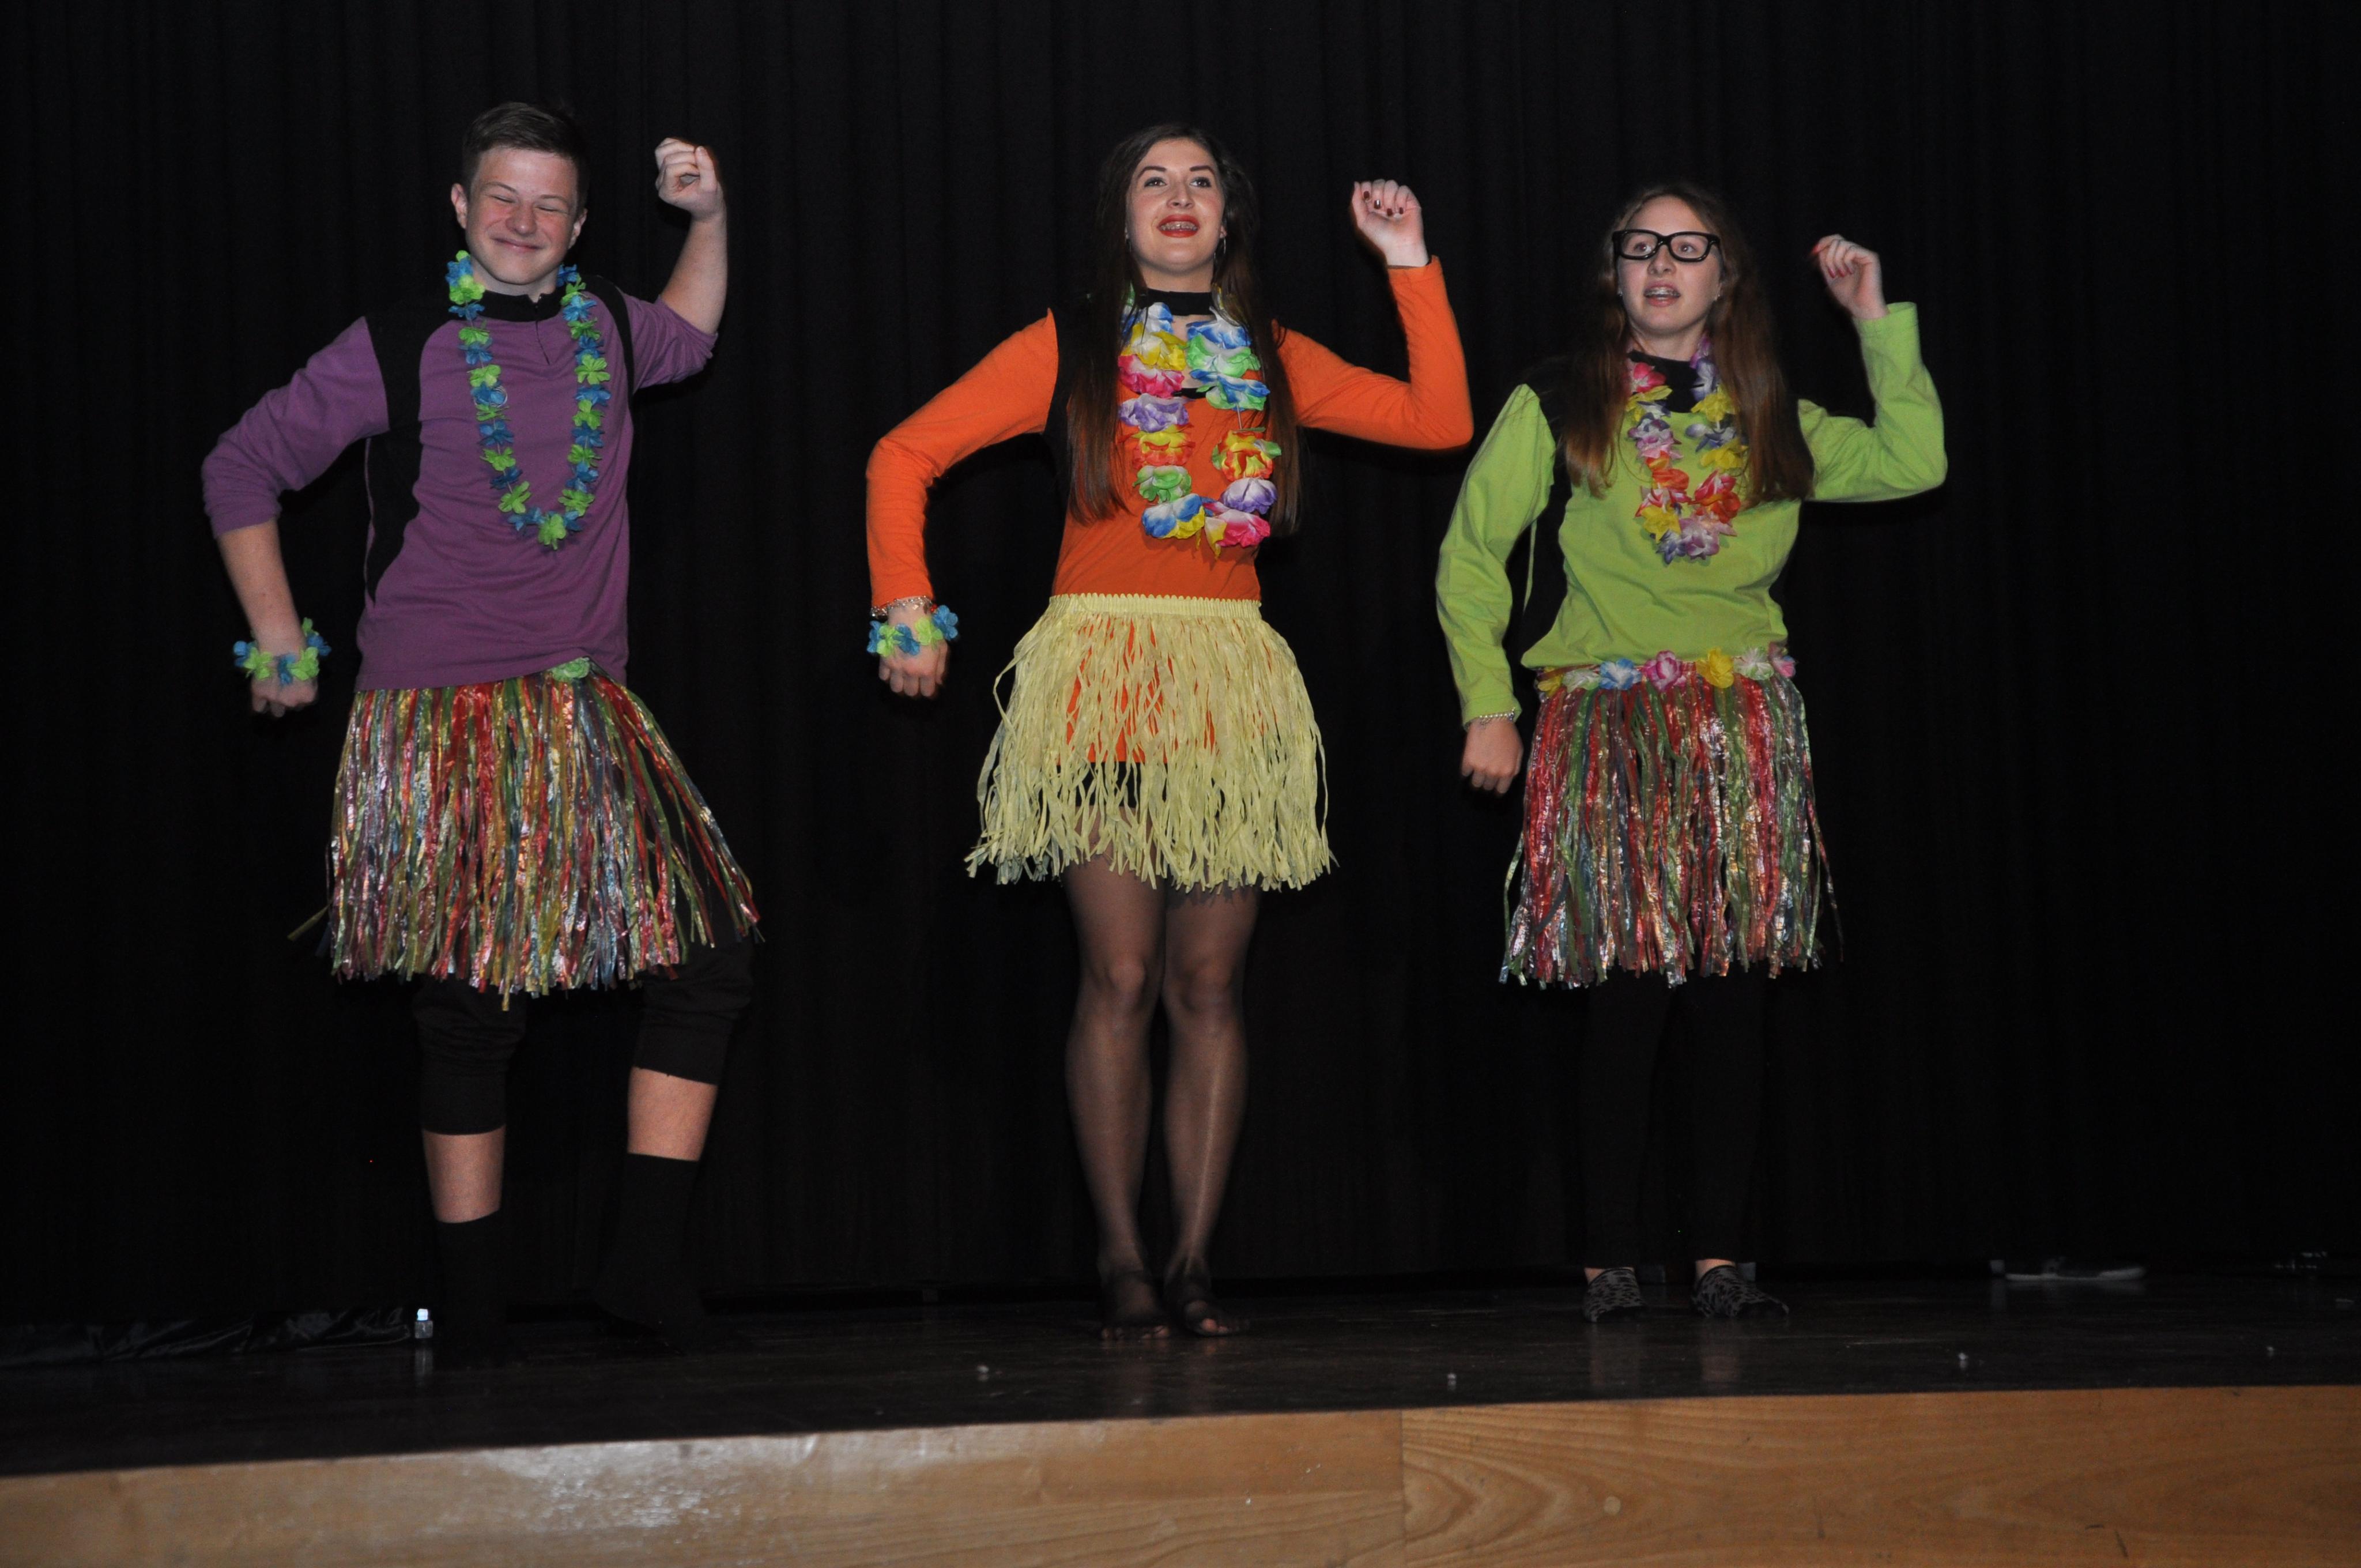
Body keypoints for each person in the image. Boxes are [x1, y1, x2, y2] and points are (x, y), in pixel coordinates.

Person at [867, 124, 1472, 1337]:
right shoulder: (1069, 344)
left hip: (1225, 688)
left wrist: (1408, 262)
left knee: (1207, 983)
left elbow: (1438, 420)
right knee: (1124, 973)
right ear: (1123, 216)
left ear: (1228, 218)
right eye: (1155, 181)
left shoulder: (1273, 354)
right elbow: (904, 452)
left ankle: (1194, 1262)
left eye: (1201, 182)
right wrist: (905, 613)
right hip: (1100, 675)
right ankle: (1121, 1259)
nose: (1180, 197)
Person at [202, 103, 756, 1362]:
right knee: (467, 1006)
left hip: (584, 708)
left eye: (550, 204)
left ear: (581, 222)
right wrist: (280, 640)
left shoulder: (607, 323)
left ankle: (642, 1265)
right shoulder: (397, 344)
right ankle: (471, 1310)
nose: (523, 221)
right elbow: (240, 467)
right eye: (502, 197)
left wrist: (711, 217)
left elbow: (690, 333)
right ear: (460, 207)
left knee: (707, 962)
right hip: (437, 717)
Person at [1435, 183, 1945, 1321]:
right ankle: (1606, 1257)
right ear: (1612, 273)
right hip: (1608, 725)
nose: (1661, 264)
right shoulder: (1560, 401)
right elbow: (1470, 556)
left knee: (1731, 995)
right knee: (1626, 993)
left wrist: (1874, 319)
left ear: (1725, 277)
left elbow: (1915, 463)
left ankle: (1721, 1256)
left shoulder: (1769, 416)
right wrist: (1488, 704)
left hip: (1738, 727)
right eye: (1640, 247)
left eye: (1686, 247)